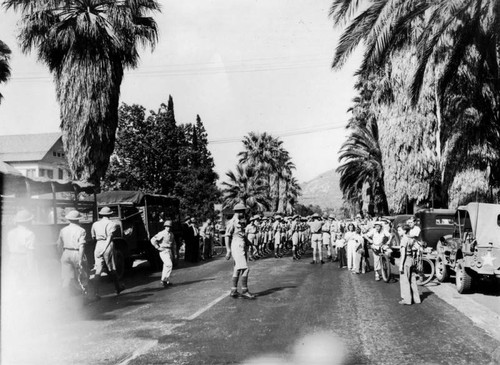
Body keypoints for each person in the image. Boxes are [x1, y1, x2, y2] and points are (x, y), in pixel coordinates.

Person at [91, 206, 125, 296]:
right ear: (110, 214)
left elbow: (93, 237)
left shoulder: (95, 224)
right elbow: (110, 236)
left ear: (101, 214)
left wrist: (100, 248)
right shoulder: (112, 223)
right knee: (112, 268)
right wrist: (105, 248)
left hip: (98, 245)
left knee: (98, 269)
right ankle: (118, 288)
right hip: (107, 245)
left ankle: (95, 292)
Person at [225, 203, 256, 299]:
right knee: (246, 269)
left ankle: (234, 290)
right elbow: (227, 236)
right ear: (239, 212)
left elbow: (243, 235)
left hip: (241, 245)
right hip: (237, 246)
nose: (244, 213)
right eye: (243, 211)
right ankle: (245, 291)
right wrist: (228, 250)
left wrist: (250, 244)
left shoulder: (240, 222)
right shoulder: (232, 222)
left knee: (237, 269)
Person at [57, 210, 90, 297]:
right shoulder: (81, 230)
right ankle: (84, 297)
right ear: (78, 219)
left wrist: (61, 255)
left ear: (69, 219)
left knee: (66, 277)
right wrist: (80, 259)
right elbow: (81, 245)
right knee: (82, 275)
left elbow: (59, 244)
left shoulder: (63, 230)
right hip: (76, 253)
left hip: (66, 252)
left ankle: (66, 298)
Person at [6, 210, 37, 293]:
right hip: (23, 259)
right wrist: (31, 267)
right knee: (25, 282)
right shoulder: (30, 234)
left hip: (12, 258)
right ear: (27, 222)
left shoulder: (10, 233)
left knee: (13, 281)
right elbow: (30, 252)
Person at [398, 224, 422, 305]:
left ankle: (407, 300)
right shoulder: (411, 238)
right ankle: (417, 299)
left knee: (405, 281)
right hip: (411, 260)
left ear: (404, 231)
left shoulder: (404, 239)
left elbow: (403, 253)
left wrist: (401, 265)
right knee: (412, 280)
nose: (398, 232)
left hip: (406, 261)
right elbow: (417, 247)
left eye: (399, 230)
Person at [151, 220, 177, 287]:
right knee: (169, 265)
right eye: (167, 226)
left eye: (170, 227)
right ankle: (164, 280)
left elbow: (174, 244)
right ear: (165, 227)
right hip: (163, 251)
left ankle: (165, 281)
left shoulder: (171, 234)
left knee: (165, 266)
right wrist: (157, 247)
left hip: (169, 251)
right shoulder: (162, 233)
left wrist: (175, 253)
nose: (168, 228)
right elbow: (153, 240)